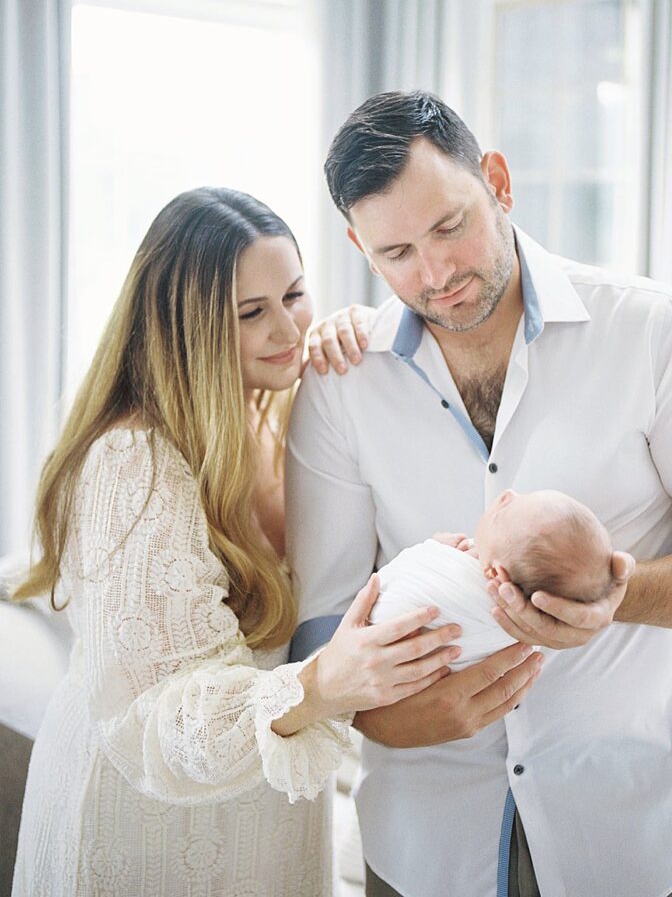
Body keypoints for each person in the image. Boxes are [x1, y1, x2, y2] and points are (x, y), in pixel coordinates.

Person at [286, 91, 672, 897]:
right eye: (397, 252)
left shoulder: (651, 332)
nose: (435, 274)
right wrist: (383, 718)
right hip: (423, 846)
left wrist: (614, 595)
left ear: (499, 182)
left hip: (634, 838)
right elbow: (321, 624)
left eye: (450, 226)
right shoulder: (342, 384)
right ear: (359, 249)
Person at [10, 186, 472, 897]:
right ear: (183, 327)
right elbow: (153, 722)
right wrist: (323, 684)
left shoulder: (279, 416)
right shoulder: (132, 461)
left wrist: (356, 346)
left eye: (294, 294)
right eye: (251, 313)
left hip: (266, 816)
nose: (288, 328)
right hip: (146, 824)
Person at [371, 490, 614, 670]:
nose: (507, 495)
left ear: (497, 575)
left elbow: (392, 584)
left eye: (503, 515)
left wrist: (432, 548)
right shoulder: (526, 624)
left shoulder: (457, 575)